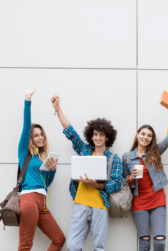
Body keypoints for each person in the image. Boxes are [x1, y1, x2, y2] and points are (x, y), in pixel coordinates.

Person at [50, 95, 122, 251]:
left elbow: (116, 184)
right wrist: (58, 109)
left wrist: (95, 184)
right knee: (73, 246)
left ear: (107, 137)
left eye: (101, 134)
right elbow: (70, 132)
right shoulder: (84, 150)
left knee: (99, 247)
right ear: (91, 136)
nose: (98, 137)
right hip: (81, 203)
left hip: (100, 206)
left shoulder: (114, 159)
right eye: (95, 134)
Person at [122, 99, 168, 251]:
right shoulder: (127, 157)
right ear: (137, 135)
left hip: (157, 200)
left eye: (149, 135)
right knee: (144, 243)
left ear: (151, 139)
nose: (145, 137)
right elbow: (123, 181)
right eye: (143, 134)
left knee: (160, 242)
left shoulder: (155, 152)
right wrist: (131, 178)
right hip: (139, 202)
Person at [18, 88, 65, 251]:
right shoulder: (24, 152)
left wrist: (52, 170)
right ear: (30, 138)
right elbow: (26, 124)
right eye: (36, 135)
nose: (40, 137)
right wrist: (28, 100)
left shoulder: (43, 158)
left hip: (42, 202)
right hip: (29, 199)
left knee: (59, 239)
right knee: (25, 244)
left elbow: (47, 183)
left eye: (41, 135)